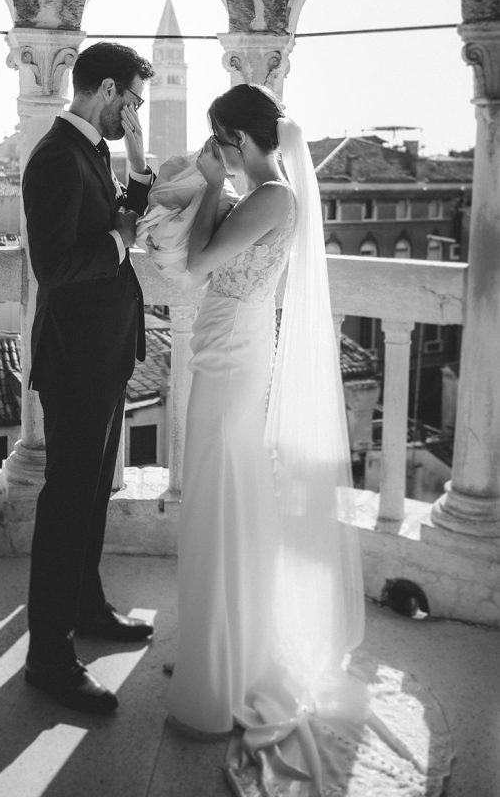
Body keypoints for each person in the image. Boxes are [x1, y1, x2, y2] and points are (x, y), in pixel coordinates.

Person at [166, 84, 366, 795]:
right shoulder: (263, 196)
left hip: (232, 349)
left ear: (242, 141)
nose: (215, 152)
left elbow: (197, 265)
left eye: (221, 140)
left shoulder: (272, 197)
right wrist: (217, 192)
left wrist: (213, 188)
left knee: (219, 492)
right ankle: (228, 643)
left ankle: (220, 671)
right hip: (228, 342)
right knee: (222, 493)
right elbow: (214, 251)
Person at [22, 42, 156, 715]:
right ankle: (47, 654)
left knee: (91, 493)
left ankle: (87, 604)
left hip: (100, 353)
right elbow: (55, 265)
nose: (133, 112)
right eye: (131, 100)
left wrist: (136, 167)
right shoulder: (54, 157)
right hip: (74, 357)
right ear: (105, 88)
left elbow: (120, 219)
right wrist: (118, 243)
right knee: (67, 501)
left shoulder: (92, 153)